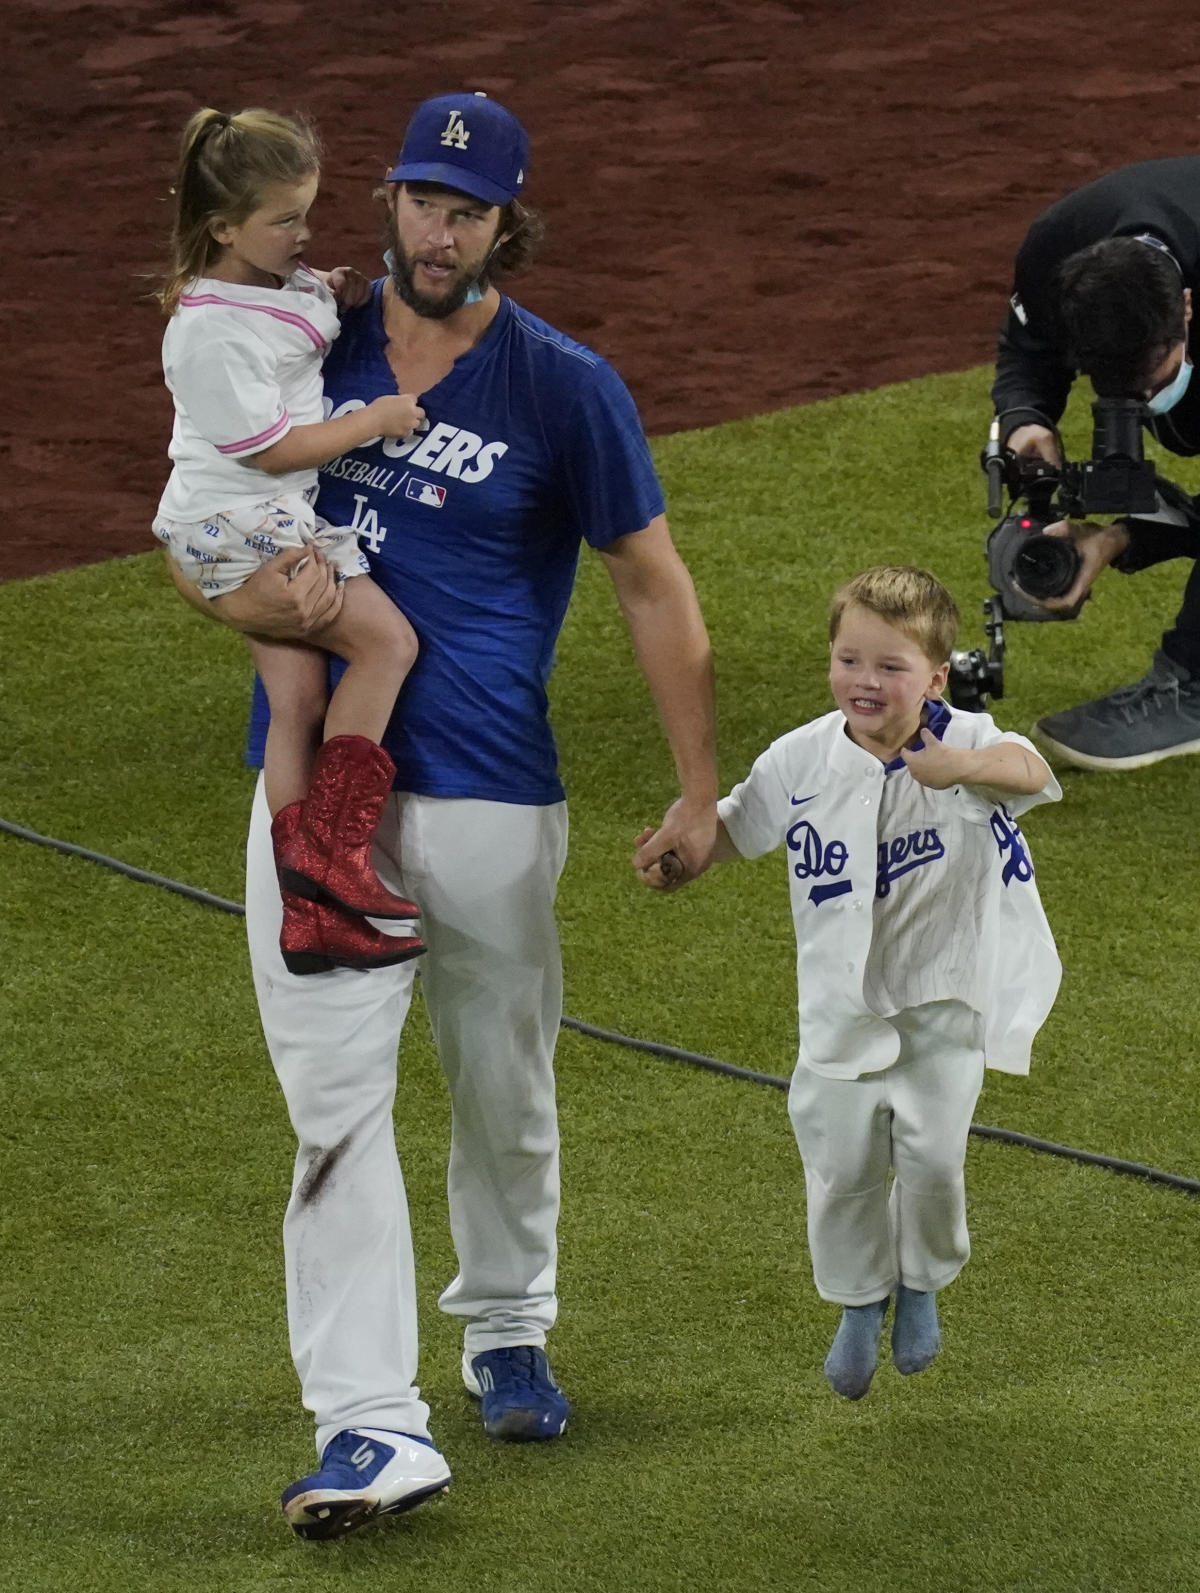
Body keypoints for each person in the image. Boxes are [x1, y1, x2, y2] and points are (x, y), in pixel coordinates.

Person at [175, 91, 717, 1540]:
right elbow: (202, 498)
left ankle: (506, 1323)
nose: (437, 227)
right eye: (420, 198)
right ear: (391, 203)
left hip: (485, 789)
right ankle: (368, 1422)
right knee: (333, 1105)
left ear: (505, 222)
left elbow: (652, 583)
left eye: (466, 209)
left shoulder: (560, 384)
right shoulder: (309, 337)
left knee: (500, 1075)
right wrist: (218, 595)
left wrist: (695, 783)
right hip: (306, 801)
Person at [640, 567, 1060, 1398]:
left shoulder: (966, 738)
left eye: (891, 667)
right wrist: (686, 857)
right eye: (849, 659)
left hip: (940, 1007)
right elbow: (739, 826)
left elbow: (1028, 769)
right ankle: (860, 1304)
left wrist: (960, 766)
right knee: (841, 1170)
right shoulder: (801, 756)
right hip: (834, 1011)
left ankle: (923, 1283)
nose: (866, 682)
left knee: (934, 1162)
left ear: (936, 676)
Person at [155, 106, 427, 974]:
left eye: (305, 212)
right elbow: (273, 449)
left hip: (251, 515)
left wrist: (333, 282)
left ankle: (307, 918)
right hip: (237, 522)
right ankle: (335, 863)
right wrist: (375, 422)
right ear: (223, 227)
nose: (302, 234)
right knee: (386, 643)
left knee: (299, 699)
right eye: (283, 221)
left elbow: (301, 311)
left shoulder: (276, 285)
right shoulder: (205, 330)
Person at [992, 155, 1200, 771]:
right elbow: (1025, 349)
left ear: (1186, 309)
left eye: (1147, 383)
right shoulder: (1059, 250)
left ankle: (1192, 685)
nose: (1136, 405)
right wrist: (1025, 416)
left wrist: (1123, 536)